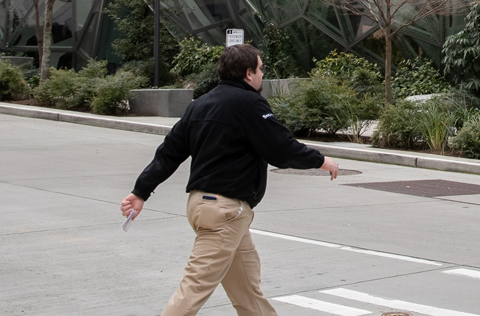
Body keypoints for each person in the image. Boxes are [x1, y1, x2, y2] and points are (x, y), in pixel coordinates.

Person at [121, 44, 340, 316]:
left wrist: (141, 191)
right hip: (225, 212)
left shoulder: (199, 105)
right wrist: (321, 160)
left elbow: (168, 154)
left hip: (210, 209)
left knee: (247, 291)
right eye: (260, 69)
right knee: (194, 288)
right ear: (248, 73)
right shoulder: (250, 104)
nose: (262, 75)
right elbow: (280, 149)